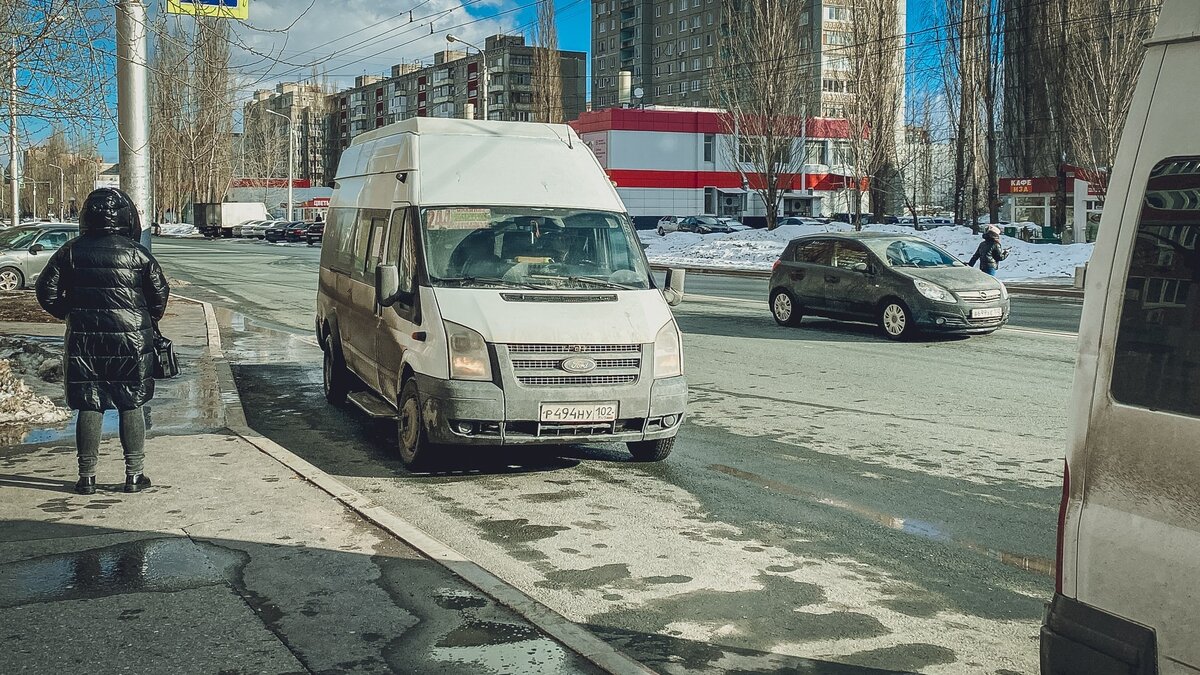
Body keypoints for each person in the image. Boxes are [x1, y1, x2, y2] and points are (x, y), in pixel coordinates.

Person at [35, 188, 171, 495]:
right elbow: (159, 294)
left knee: (90, 402)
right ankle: (134, 475)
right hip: (131, 341)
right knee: (130, 401)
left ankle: (87, 477)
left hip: (85, 340)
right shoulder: (137, 252)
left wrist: (69, 313)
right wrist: (146, 319)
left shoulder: (71, 250)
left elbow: (46, 291)